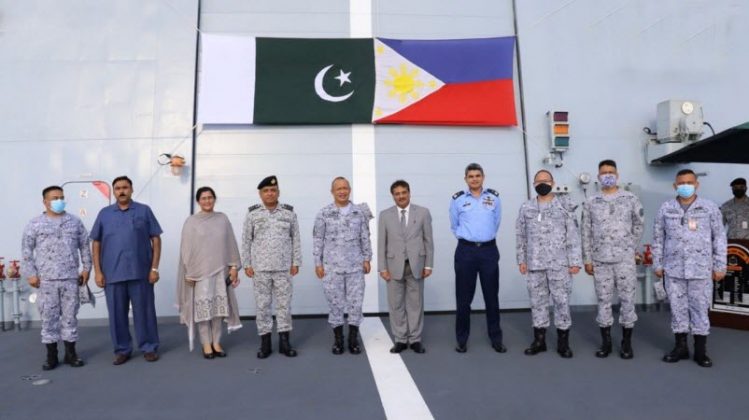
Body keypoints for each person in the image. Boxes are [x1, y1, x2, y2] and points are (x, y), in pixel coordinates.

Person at [653, 169, 726, 367]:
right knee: (677, 310)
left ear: (696, 184)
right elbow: (658, 238)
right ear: (675, 186)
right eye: (681, 183)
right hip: (674, 270)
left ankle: (701, 352)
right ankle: (681, 348)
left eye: (689, 182)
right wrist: (657, 264)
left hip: (701, 270)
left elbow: (719, 238)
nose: (685, 185)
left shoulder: (709, 208)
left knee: (700, 309)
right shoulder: (666, 208)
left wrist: (720, 265)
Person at [91, 176, 162, 365]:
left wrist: (154, 268)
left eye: (125, 187)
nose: (121, 191)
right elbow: (96, 243)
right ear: (114, 191)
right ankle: (122, 349)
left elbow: (155, 238)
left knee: (145, 312)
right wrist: (97, 271)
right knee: (116, 314)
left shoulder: (144, 211)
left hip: (141, 273)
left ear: (131, 189)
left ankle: (149, 347)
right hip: (113, 274)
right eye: (118, 188)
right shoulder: (104, 214)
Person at [21, 185, 91, 370]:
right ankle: (51, 356)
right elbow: (27, 250)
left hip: (70, 279)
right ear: (45, 201)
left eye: (61, 197)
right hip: (46, 281)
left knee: (70, 318)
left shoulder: (74, 222)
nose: (59, 200)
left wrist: (86, 269)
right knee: (48, 318)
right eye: (54, 198)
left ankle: (71, 354)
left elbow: (84, 246)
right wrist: (31, 274)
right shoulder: (35, 224)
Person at [581, 160, 644, 359]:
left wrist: (629, 246)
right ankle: (606, 342)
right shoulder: (591, 202)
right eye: (603, 172)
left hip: (625, 260)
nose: (607, 175)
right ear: (598, 176)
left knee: (627, 301)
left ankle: (627, 343)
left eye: (611, 172)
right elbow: (585, 232)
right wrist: (587, 259)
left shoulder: (630, 198)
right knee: (603, 302)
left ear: (617, 175)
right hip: (600, 261)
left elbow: (638, 225)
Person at [516, 170, 581, 358]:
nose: (542, 184)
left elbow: (573, 235)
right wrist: (521, 259)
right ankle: (540, 341)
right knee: (538, 303)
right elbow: (520, 235)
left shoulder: (564, 206)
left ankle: (563, 343)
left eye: (546, 181)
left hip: (559, 264)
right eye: (538, 181)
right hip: (535, 264)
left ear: (553, 183)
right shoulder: (526, 207)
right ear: (533, 184)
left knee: (562, 302)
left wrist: (575, 261)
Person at [177, 186, 242, 359]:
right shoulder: (191, 222)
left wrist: (234, 267)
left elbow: (230, 243)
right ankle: (206, 344)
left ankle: (216, 342)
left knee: (219, 310)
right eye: (203, 198)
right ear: (198, 201)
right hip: (199, 273)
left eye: (210, 197)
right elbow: (186, 249)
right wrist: (189, 272)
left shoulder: (222, 219)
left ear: (215, 199)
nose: (207, 201)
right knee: (203, 311)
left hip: (220, 271)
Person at [242, 176, 302, 359]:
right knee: (263, 306)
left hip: (283, 268)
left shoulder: (288, 213)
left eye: (273, 190)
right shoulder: (253, 214)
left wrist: (296, 262)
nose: (270, 193)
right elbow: (246, 240)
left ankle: (285, 343)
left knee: (284, 306)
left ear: (278, 193)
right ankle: (265, 344)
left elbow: (296, 238)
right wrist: (247, 264)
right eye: (266, 190)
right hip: (260, 268)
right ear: (260, 194)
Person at [449, 163, 505, 353]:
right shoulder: (457, 200)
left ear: (483, 177)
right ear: (465, 178)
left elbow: (496, 222)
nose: (474, 179)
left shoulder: (494, 198)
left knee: (491, 297)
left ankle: (496, 338)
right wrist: (470, 239)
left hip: (488, 251)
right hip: (466, 252)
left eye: (477, 175)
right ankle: (462, 340)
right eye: (470, 176)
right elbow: (454, 225)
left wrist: (483, 238)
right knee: (464, 299)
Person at [313, 177, 373, 355]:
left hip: (355, 267)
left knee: (356, 304)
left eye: (345, 188)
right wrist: (318, 263)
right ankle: (338, 340)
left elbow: (365, 237)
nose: (342, 191)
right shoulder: (324, 213)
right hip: (332, 268)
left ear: (350, 190)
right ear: (332, 192)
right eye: (338, 188)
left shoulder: (359, 212)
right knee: (335, 304)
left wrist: (367, 258)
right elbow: (318, 240)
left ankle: (353, 339)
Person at [378, 180, 434, 354]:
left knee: (415, 304)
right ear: (393, 196)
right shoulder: (385, 215)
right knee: (396, 305)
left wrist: (429, 265)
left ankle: (415, 339)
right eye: (397, 193)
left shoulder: (423, 213)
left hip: (416, 265)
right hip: (393, 266)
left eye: (404, 192)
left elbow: (428, 240)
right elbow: (382, 243)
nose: (401, 196)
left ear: (409, 193)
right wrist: (382, 268)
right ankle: (400, 339)